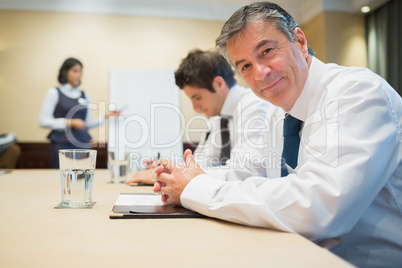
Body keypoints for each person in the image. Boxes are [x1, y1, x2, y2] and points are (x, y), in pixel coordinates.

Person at [151, 2, 402, 267]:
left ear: (300, 40)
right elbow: (248, 173)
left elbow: (317, 207)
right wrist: (180, 178)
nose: (260, 73)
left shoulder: (356, 93)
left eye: (267, 51)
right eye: (245, 66)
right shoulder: (278, 113)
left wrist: (196, 188)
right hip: (295, 252)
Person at [126, 49, 272, 185]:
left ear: (219, 83)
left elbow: (245, 173)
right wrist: (168, 170)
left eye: (197, 97)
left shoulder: (255, 106)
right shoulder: (217, 118)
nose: (195, 108)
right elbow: (201, 164)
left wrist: (174, 175)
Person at [39, 57, 119, 168]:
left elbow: (85, 124)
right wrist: (70, 122)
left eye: (81, 72)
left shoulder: (85, 95)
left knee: (83, 178)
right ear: (64, 72)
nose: (79, 75)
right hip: (62, 144)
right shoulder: (54, 92)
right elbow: (43, 121)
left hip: (82, 144)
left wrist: (106, 116)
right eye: (75, 71)